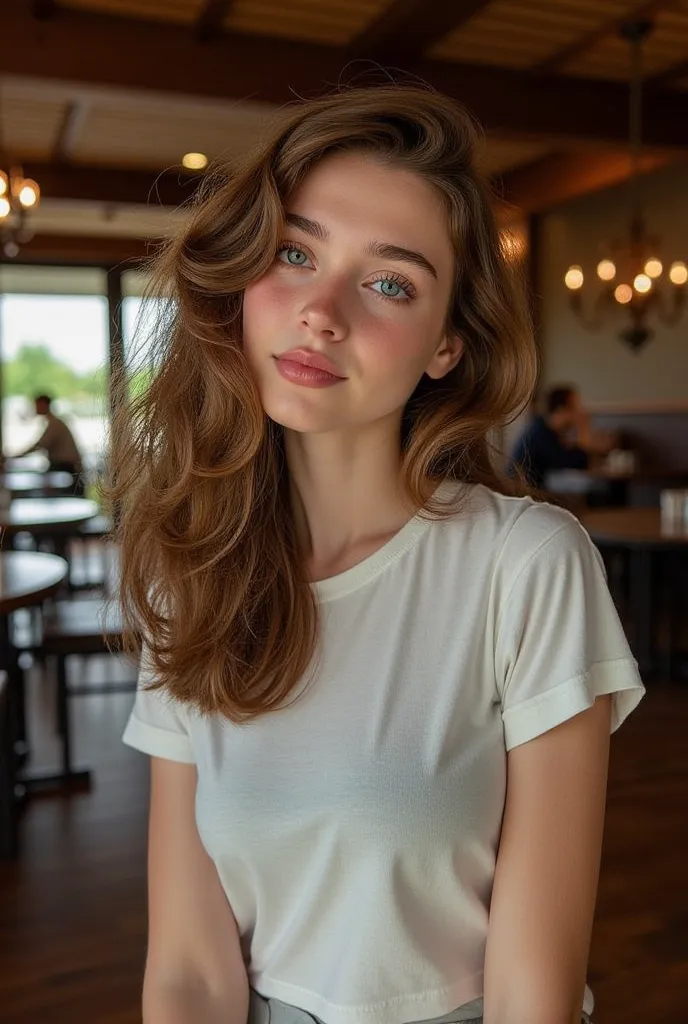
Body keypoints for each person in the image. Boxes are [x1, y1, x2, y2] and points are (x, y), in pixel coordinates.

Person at [110, 85, 645, 1024]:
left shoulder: (524, 565)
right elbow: (190, 969)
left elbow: (535, 992)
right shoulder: (190, 569)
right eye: (295, 252)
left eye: (388, 281)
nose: (320, 311)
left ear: (446, 345)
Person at [508, 385, 614, 490]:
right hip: (521, 496)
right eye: (576, 408)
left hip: (532, 493)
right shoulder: (539, 434)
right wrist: (583, 429)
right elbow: (574, 463)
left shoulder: (545, 429)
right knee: (597, 488)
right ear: (561, 410)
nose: (579, 413)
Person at [17, 394, 85, 494]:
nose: (35, 408)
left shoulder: (54, 424)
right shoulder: (54, 422)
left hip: (66, 468)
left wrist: (18, 455)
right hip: (64, 467)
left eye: (37, 405)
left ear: (43, 405)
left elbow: (40, 445)